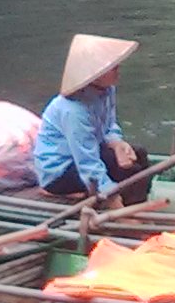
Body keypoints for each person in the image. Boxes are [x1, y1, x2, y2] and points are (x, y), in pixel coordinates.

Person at [36, 32, 152, 206]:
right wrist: (111, 195)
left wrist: (117, 144)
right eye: (113, 68)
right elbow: (87, 162)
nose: (118, 71)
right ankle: (125, 213)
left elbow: (109, 125)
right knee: (122, 170)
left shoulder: (107, 91)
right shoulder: (74, 110)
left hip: (89, 150)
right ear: (98, 73)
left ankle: (137, 205)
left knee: (139, 156)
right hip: (60, 170)